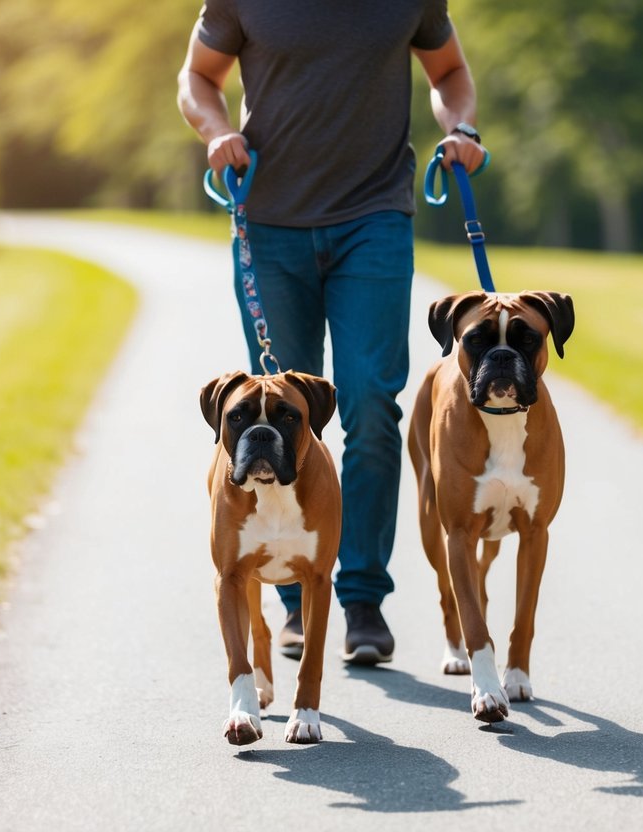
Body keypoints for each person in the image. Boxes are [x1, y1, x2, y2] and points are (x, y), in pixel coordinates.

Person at [177, 0, 487, 665]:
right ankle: (294, 599)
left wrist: (461, 126)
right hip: (267, 222)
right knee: (283, 418)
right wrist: (214, 131)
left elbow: (450, 70)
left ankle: (362, 597)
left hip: (371, 218)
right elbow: (197, 78)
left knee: (371, 402)